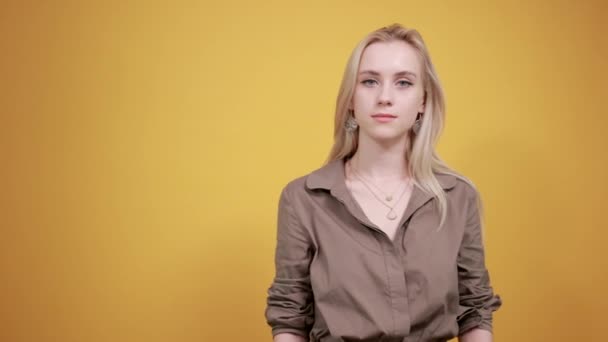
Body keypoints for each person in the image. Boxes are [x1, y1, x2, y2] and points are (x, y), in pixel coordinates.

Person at [264, 23, 502, 342]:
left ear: (422, 102)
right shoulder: (303, 199)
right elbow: (290, 317)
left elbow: (474, 310)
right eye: (370, 81)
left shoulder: (459, 197)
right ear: (351, 97)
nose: (385, 97)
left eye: (403, 82)